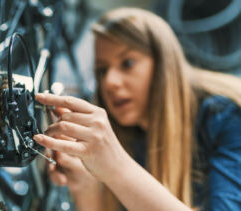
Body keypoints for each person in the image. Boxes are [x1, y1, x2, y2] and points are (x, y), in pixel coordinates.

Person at [33, 8, 241, 211]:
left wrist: (115, 166)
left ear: (163, 64)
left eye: (127, 63)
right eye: (102, 70)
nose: (110, 82)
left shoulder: (227, 116)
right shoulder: (134, 137)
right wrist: (84, 185)